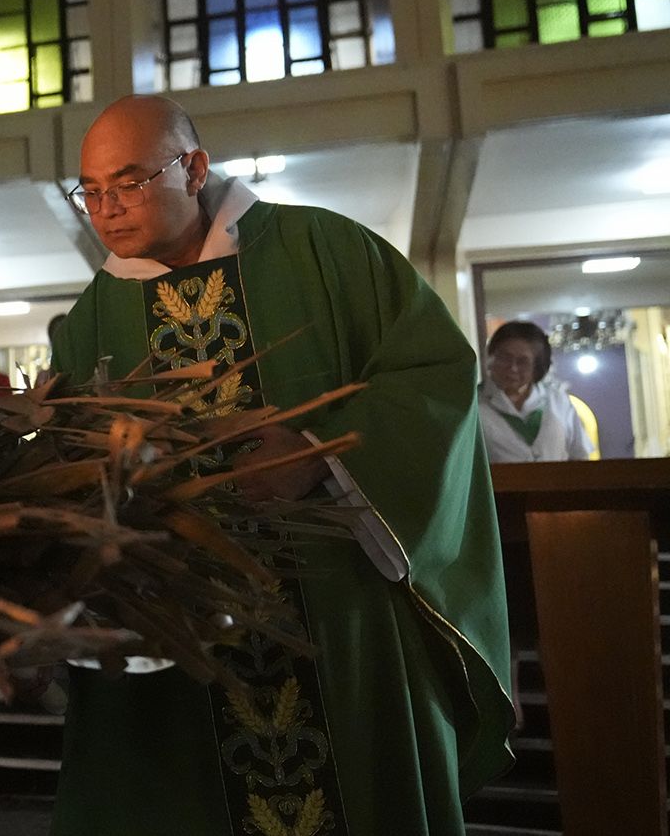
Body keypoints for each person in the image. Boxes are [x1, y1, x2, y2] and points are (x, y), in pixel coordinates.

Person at [47, 95, 514, 836]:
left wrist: (320, 452)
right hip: (179, 641)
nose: (105, 208)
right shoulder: (90, 321)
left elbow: (434, 374)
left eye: (129, 182)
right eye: (90, 191)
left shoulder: (325, 251)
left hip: (335, 614)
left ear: (194, 167)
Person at [479, 321, 597, 462]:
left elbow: (580, 455)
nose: (513, 368)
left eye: (522, 361)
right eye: (505, 358)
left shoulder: (558, 400)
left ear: (537, 366)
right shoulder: (474, 404)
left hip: (557, 483)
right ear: (491, 358)